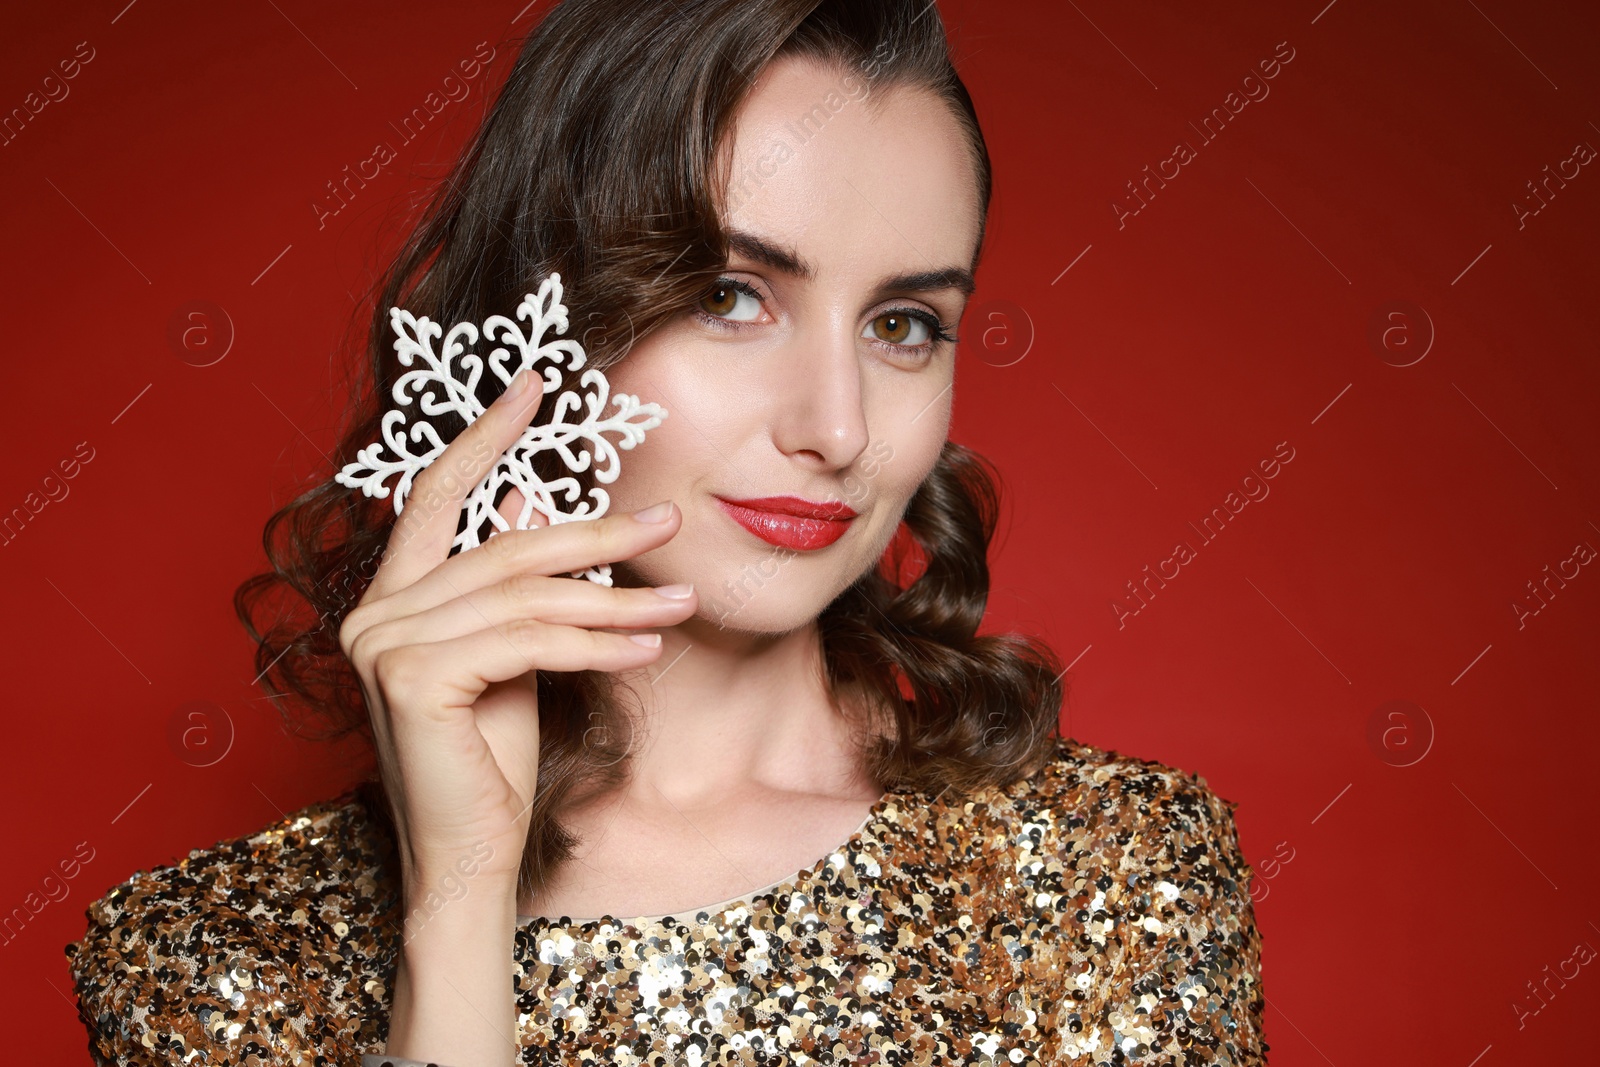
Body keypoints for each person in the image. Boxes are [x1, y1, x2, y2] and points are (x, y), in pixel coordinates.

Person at [65, 0, 1268, 1064]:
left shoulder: (1108, 875)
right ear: (543, 321)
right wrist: (461, 904)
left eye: (904, 324)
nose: (837, 427)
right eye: (728, 297)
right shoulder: (224, 959)